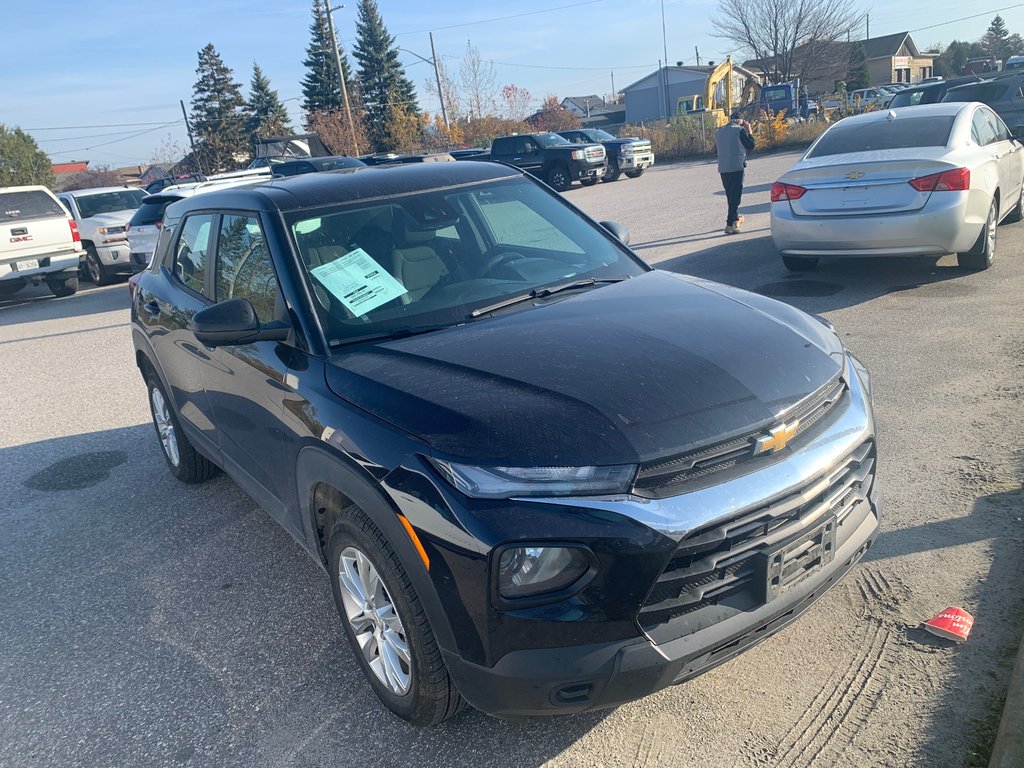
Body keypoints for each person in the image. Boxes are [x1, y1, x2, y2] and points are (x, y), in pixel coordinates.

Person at [716, 112, 756, 234]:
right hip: (737, 167)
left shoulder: (719, 132)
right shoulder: (739, 131)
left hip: (723, 168)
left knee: (730, 196)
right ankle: (729, 224)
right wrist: (749, 131)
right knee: (736, 198)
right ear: (740, 121)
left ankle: (734, 219)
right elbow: (751, 145)